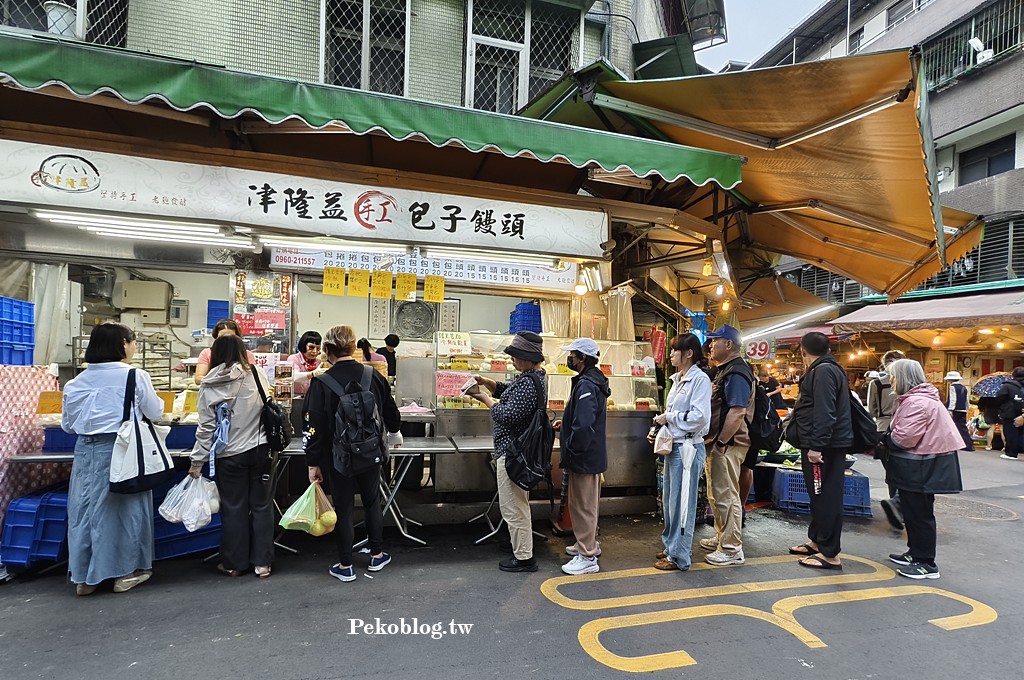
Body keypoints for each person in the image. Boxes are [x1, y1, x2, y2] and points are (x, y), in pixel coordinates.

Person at [62, 322, 162, 596]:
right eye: (133, 341)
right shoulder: (134, 376)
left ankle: (84, 578)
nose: (135, 347)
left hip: (84, 452)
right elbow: (155, 411)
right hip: (121, 450)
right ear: (122, 344)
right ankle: (125, 573)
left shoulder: (75, 382)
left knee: (85, 513)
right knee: (124, 512)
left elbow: (68, 426)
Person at [304, 325, 403, 582]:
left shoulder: (321, 382)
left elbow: (313, 425)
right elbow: (392, 413)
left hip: (337, 457)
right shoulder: (374, 376)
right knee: (372, 501)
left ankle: (345, 565)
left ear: (327, 350)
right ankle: (377, 555)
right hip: (372, 453)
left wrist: (313, 462)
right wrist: (394, 433)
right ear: (353, 348)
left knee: (344, 507)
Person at [188, 334, 274, 578]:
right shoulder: (257, 373)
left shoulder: (208, 383)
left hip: (229, 454)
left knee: (234, 507)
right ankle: (262, 564)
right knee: (261, 506)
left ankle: (235, 564)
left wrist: (197, 461)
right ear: (242, 352)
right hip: (260, 450)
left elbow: (205, 427)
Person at [468, 331, 547, 573]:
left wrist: (483, 399)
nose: (512, 359)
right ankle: (519, 545)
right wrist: (487, 382)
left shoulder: (529, 382)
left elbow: (508, 415)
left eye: (515, 356)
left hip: (513, 452)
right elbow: (507, 390)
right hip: (517, 450)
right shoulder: (533, 377)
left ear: (527, 358)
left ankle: (524, 558)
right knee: (516, 503)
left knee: (513, 506)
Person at [885, 359, 964, 579]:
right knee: (912, 511)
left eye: (893, 376)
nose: (890, 380)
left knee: (920, 513)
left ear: (902, 377)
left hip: (921, 465)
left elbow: (904, 439)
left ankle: (926, 563)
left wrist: (886, 439)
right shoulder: (918, 398)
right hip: (920, 463)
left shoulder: (917, 402)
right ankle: (915, 553)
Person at [787, 332, 853, 570]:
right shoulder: (826, 368)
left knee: (826, 496)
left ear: (803, 349)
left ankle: (830, 553)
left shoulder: (824, 371)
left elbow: (825, 412)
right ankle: (817, 541)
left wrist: (816, 446)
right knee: (818, 495)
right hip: (825, 443)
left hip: (825, 447)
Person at [650, 333, 711, 572]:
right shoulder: (678, 379)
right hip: (673, 446)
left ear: (689, 353)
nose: (671, 354)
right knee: (669, 502)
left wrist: (670, 418)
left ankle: (680, 556)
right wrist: (660, 427)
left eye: (676, 350)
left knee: (682, 503)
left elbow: (700, 417)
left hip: (688, 448)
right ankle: (671, 547)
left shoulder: (700, 380)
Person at [700, 324, 755, 566]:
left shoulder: (737, 372)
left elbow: (738, 411)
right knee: (716, 493)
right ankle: (722, 535)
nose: (711, 345)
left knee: (727, 495)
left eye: (715, 341)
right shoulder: (725, 370)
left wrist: (722, 441)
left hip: (729, 443)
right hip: (718, 442)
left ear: (729, 344)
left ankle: (732, 549)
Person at [554, 337, 609, 575]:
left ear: (583, 358)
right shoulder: (589, 381)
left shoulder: (587, 384)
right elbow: (580, 419)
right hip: (587, 454)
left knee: (583, 505)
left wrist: (573, 447)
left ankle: (587, 557)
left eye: (573, 355)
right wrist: (565, 426)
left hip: (584, 456)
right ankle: (587, 544)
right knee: (582, 504)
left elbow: (585, 424)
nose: (570, 358)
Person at [867, 350, 905, 529]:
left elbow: (872, 411)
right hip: (905, 429)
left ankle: (896, 503)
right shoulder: (911, 383)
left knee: (891, 471)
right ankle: (900, 506)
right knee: (905, 471)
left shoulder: (876, 383)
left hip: (882, 428)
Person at [195, 319, 257, 384]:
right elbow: (198, 379)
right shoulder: (207, 353)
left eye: (231, 337)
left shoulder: (246, 354)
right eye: (222, 337)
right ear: (216, 338)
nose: (227, 341)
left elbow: (252, 378)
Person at [994, 367, 1024, 460]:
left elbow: (999, 398)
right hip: (1022, 413)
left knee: (1010, 433)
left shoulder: (1007, 385)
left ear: (1013, 375)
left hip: (1010, 412)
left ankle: (1011, 453)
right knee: (1021, 434)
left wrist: (1001, 408)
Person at [944, 370, 974, 451]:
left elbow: (953, 399)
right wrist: (967, 409)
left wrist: (950, 410)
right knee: (962, 427)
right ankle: (968, 444)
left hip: (956, 410)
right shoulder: (964, 387)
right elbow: (967, 400)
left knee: (956, 427)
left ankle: (966, 444)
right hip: (963, 410)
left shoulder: (953, 387)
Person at [288, 330, 323, 396]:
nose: (315, 351)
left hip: (312, 397)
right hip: (295, 397)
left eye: (318, 348)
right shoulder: (294, 359)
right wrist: (312, 374)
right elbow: (294, 377)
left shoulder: (319, 362)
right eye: (311, 347)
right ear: (303, 345)